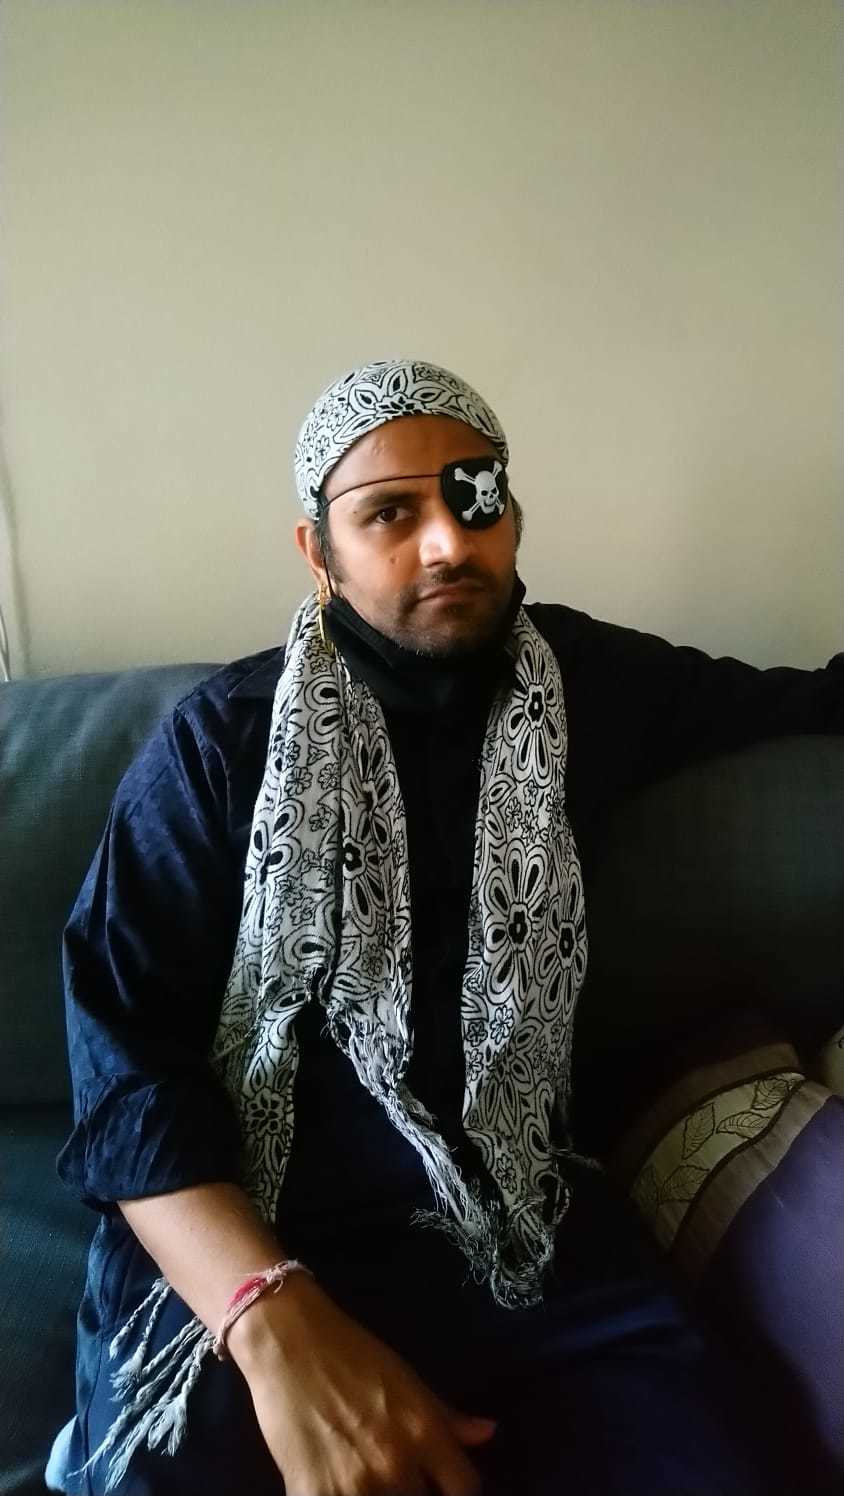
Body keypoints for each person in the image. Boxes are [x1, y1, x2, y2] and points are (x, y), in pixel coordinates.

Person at [47, 358, 843, 1496]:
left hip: (520, 1230)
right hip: (258, 1235)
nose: (445, 543)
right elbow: (122, 1069)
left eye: (475, 498)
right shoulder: (217, 746)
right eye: (388, 512)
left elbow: (807, 700)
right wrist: (270, 1319)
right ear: (317, 551)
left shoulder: (583, 681)